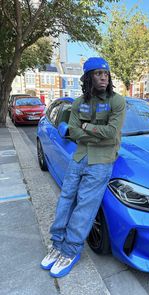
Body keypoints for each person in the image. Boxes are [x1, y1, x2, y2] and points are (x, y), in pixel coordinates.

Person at [40, 57, 126, 278]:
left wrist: (86, 129)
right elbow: (73, 132)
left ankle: (71, 251)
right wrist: (92, 132)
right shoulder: (78, 103)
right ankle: (58, 244)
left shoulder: (117, 101)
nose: (103, 77)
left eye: (106, 73)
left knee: (85, 207)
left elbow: (111, 134)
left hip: (102, 161)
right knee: (66, 199)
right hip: (80, 157)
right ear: (88, 77)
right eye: (98, 73)